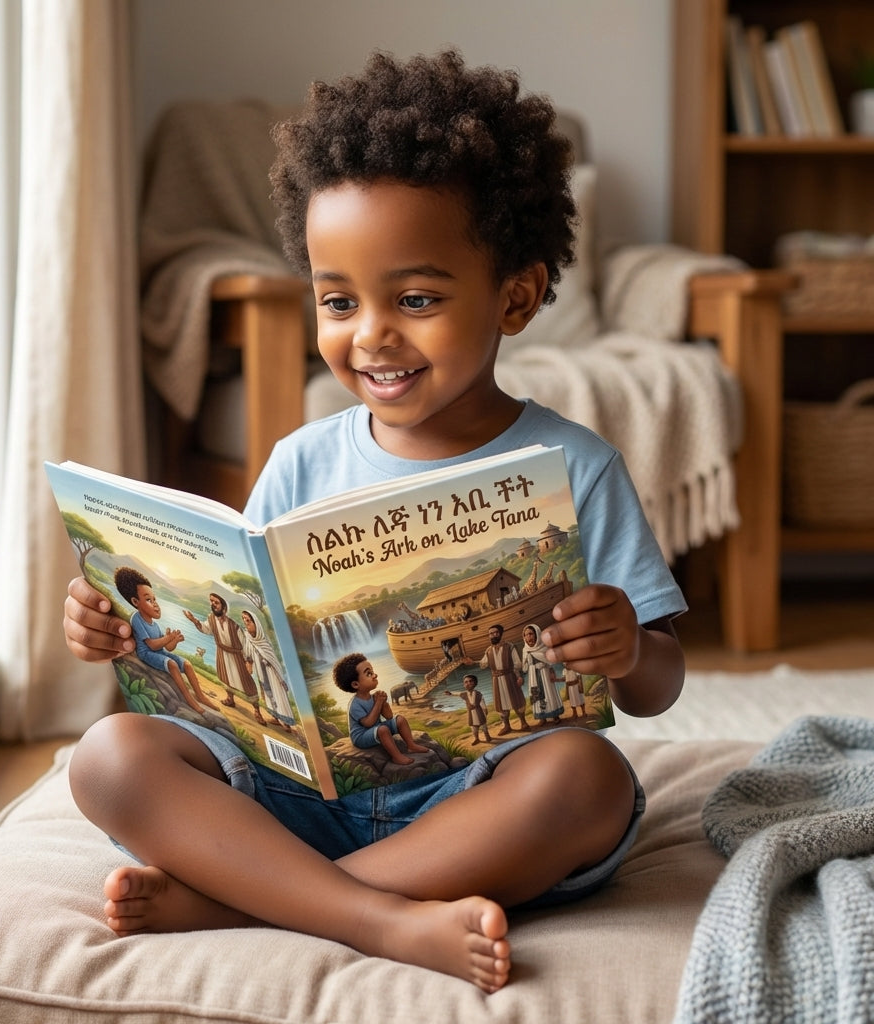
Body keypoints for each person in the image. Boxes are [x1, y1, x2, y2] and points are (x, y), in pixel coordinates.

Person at [63, 49, 686, 993]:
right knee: (109, 756)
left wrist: (629, 648)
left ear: (516, 296)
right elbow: (246, 654)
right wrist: (120, 629)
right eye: (338, 301)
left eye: (417, 299)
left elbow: (657, 690)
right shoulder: (301, 460)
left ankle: (256, 900)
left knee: (587, 779)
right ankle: (377, 918)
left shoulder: (578, 465)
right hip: (292, 798)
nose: (371, 334)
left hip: (474, 803)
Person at [113, 566, 216, 714]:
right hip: (147, 654)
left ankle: (201, 696)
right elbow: (152, 646)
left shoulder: (155, 625)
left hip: (159, 652)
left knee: (187, 664)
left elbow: (168, 648)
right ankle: (190, 701)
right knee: (172, 664)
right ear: (135, 601)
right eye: (148, 600)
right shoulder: (137, 619)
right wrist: (167, 638)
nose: (155, 603)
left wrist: (174, 640)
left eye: (155, 599)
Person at [332, 652, 430, 765]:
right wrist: (378, 703)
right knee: (383, 730)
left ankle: (411, 745)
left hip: (376, 728)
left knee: (400, 719)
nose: (375, 675)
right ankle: (397, 757)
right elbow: (368, 723)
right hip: (361, 736)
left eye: (372, 671)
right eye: (369, 674)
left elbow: (389, 716)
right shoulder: (355, 704)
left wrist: (383, 703)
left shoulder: (374, 697)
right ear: (355, 685)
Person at [183, 593, 264, 723]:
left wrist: (248, 662)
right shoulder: (211, 619)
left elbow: (245, 645)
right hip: (222, 653)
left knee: (247, 683)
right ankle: (230, 699)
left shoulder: (234, 626)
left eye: (216, 602)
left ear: (224, 607)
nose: (213, 604)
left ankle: (257, 711)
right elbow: (206, 629)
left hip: (237, 656)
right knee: (225, 677)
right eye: (211, 602)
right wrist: (194, 620)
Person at [240, 610, 295, 729]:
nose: (245, 622)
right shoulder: (248, 638)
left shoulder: (263, 640)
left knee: (277, 694)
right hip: (261, 672)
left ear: (255, 623)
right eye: (243, 619)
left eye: (248, 620)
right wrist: (249, 664)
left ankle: (286, 723)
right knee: (267, 694)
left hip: (272, 673)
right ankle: (276, 718)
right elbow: (248, 654)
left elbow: (271, 657)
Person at [478, 623, 531, 735]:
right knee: (501, 703)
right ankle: (507, 726)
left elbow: (517, 663)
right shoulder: (488, 650)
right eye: (491, 634)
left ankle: (523, 723)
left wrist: (519, 676)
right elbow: (483, 664)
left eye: (496, 633)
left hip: (510, 677)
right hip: (496, 681)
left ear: (500, 634)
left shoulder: (509, 646)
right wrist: (472, 662)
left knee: (516, 700)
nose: (493, 635)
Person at [522, 622, 565, 725]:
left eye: (531, 634)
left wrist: (551, 672)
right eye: (526, 635)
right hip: (533, 676)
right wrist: (526, 661)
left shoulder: (543, 647)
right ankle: (542, 716)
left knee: (549, 693)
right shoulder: (525, 650)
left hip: (544, 673)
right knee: (536, 695)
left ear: (536, 634)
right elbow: (524, 668)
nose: (528, 637)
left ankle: (555, 715)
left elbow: (550, 662)